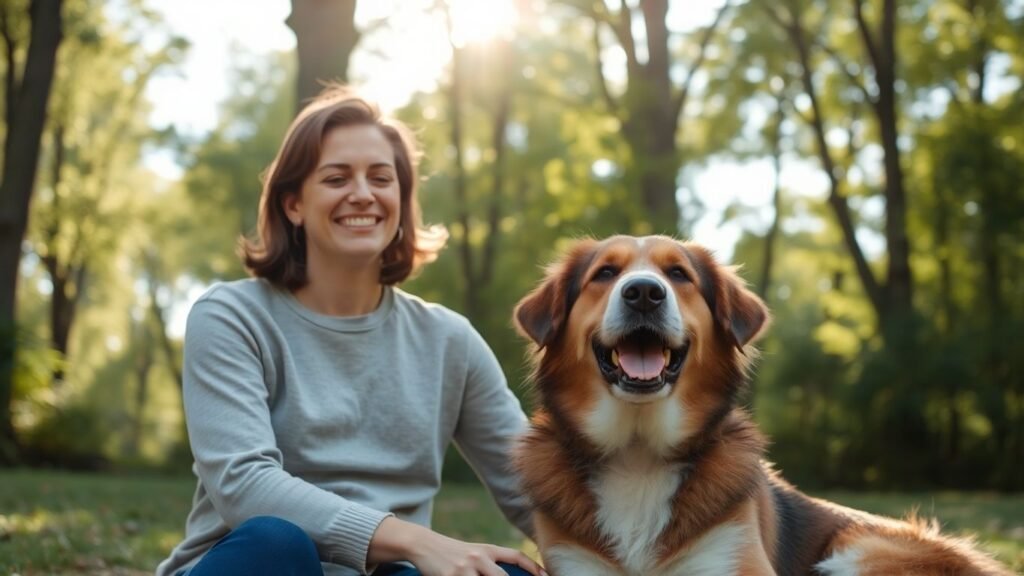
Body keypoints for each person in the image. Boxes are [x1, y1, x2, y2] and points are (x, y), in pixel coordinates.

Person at [156, 86, 546, 576]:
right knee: (277, 541)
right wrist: (417, 541)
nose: (362, 193)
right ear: (294, 203)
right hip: (261, 563)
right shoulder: (231, 316)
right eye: (337, 178)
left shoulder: (450, 340)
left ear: (401, 200)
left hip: (391, 572)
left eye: (381, 178)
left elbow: (537, 491)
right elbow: (244, 486)